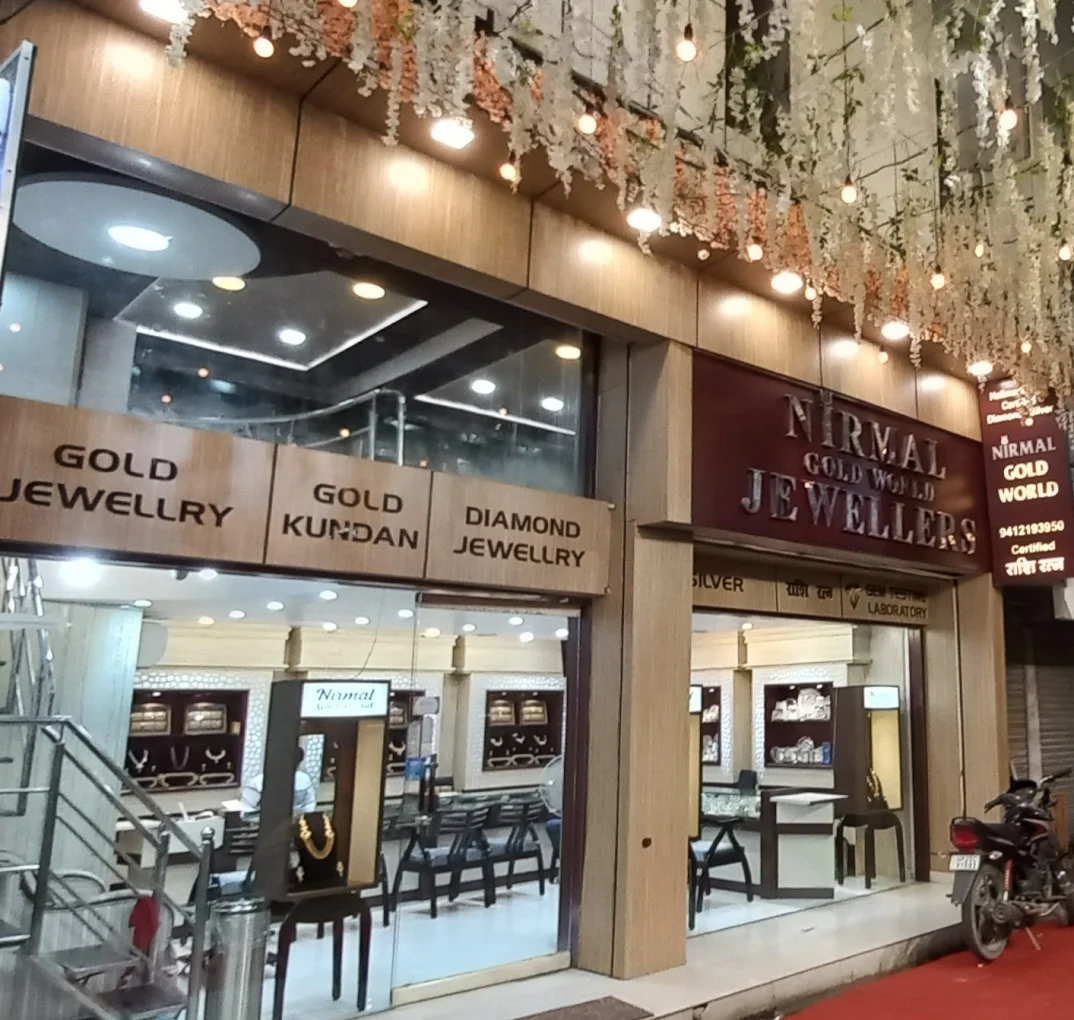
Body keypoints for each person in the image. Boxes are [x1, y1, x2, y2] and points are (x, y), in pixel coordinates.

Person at [240, 746, 317, 817]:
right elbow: (246, 809)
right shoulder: (258, 782)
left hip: (296, 822)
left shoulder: (304, 779)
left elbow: (310, 804)